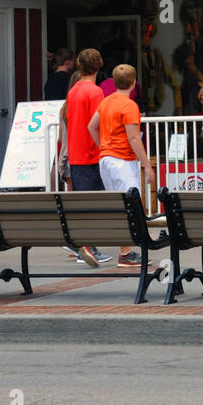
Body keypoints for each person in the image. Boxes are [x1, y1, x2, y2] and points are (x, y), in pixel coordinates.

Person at [88, 65, 153, 269]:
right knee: (131, 205)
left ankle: (126, 250)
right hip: (123, 160)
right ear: (134, 83)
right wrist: (147, 166)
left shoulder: (106, 102)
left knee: (121, 205)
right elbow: (134, 138)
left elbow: (92, 126)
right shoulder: (129, 105)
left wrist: (103, 147)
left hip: (106, 160)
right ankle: (126, 253)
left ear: (114, 82)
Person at [64, 49, 113, 267]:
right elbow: (98, 122)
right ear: (99, 66)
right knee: (94, 205)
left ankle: (83, 245)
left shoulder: (74, 90)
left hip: (76, 152)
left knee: (84, 203)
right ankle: (85, 245)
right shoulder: (95, 92)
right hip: (92, 152)